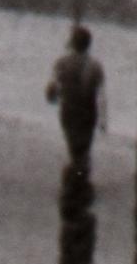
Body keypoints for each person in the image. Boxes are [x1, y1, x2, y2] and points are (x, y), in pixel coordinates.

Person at [45, 19, 105, 168]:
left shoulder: (62, 63)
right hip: (88, 112)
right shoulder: (96, 66)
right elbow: (101, 97)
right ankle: (81, 175)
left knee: (73, 147)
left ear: (72, 43)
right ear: (89, 44)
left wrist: (56, 98)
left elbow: (52, 92)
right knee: (84, 148)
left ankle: (77, 176)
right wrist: (103, 120)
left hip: (69, 111)